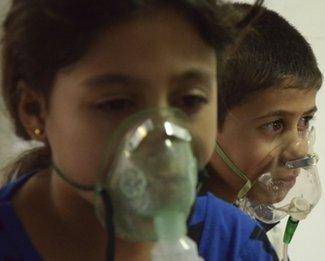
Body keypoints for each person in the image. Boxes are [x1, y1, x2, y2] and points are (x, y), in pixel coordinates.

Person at [0, 0, 277, 260]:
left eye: (190, 100)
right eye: (117, 104)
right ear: (34, 110)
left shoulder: (237, 246)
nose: (162, 138)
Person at [202, 3, 323, 257]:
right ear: (203, 123)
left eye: (304, 121)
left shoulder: (254, 230)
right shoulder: (196, 239)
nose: (300, 149)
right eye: (274, 125)